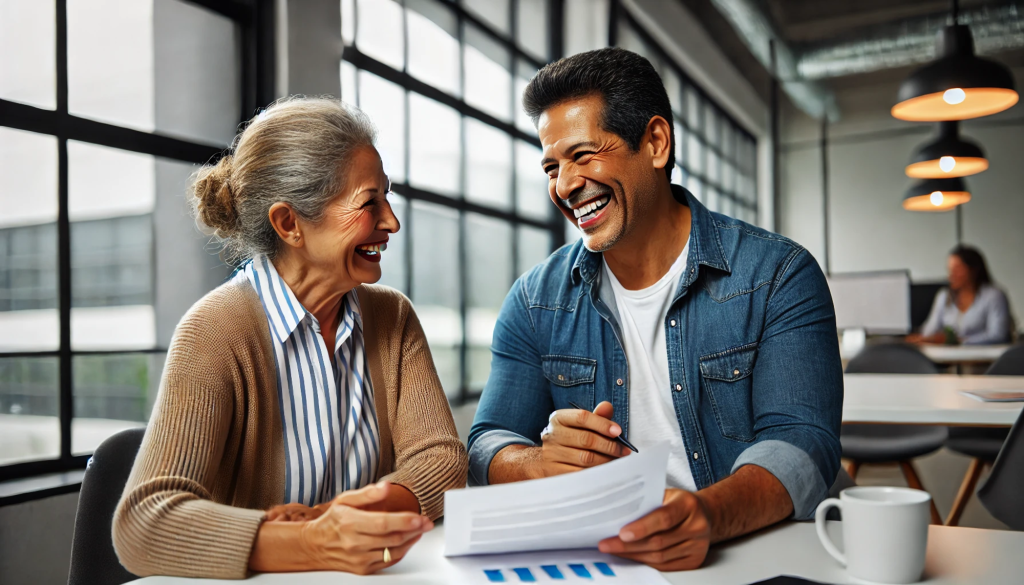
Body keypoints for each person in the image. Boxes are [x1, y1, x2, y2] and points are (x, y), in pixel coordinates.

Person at [468, 48, 843, 571]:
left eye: (583, 155)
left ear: (656, 143)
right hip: (609, 564)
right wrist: (535, 463)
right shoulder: (535, 300)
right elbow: (487, 442)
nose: (564, 185)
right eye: (552, 166)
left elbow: (803, 443)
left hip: (757, 554)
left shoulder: (778, 274)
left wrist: (706, 516)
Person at [113, 98, 467, 578]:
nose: (391, 222)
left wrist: (342, 520)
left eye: (388, 197)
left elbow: (442, 460)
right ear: (289, 224)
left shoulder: (392, 315)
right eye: (369, 202)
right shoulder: (215, 330)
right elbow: (143, 525)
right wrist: (313, 543)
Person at [907, 245, 1013, 345]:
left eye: (957, 269)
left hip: (985, 360)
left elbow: (998, 335)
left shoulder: (993, 296)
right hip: (950, 361)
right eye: (949, 269)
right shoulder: (944, 296)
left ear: (973, 270)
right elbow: (929, 331)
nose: (951, 274)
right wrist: (922, 338)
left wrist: (958, 341)